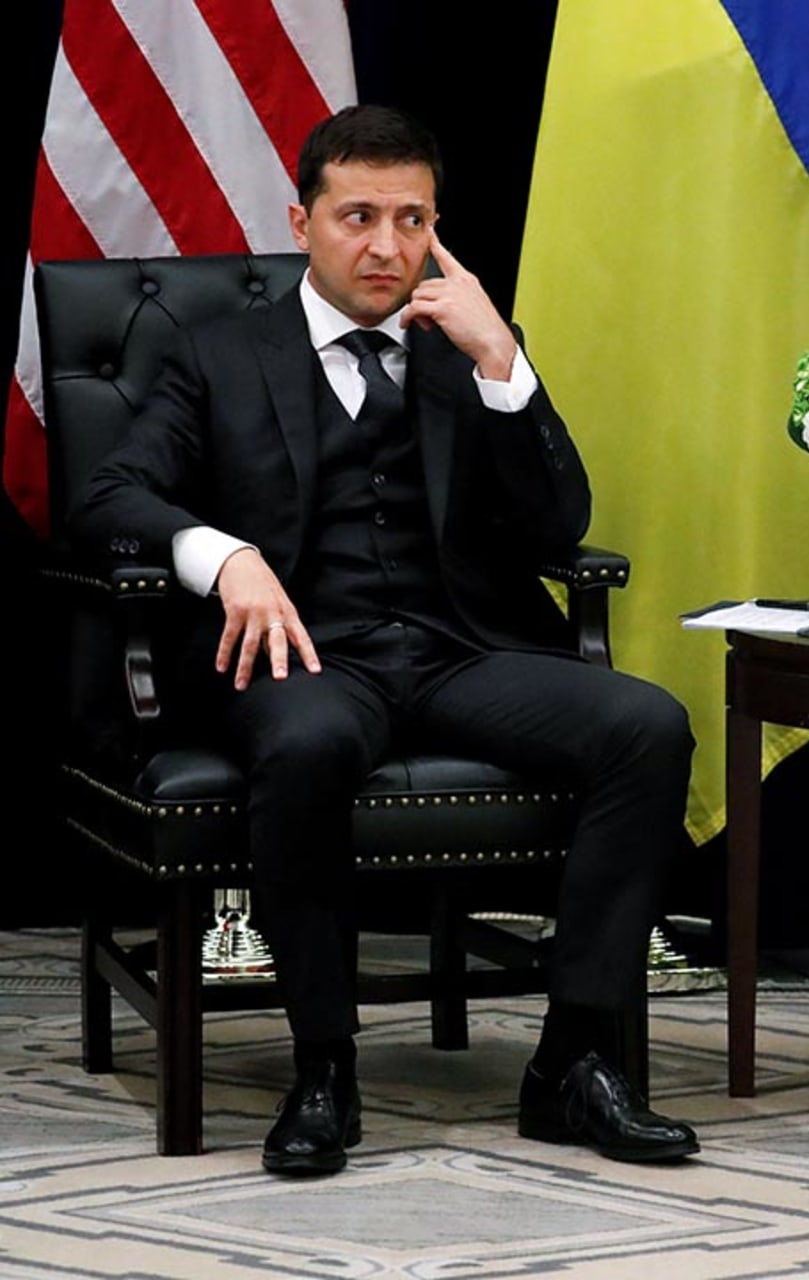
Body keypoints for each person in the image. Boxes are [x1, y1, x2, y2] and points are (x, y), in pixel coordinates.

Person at [74, 105, 699, 1177]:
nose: (387, 246)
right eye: (358, 215)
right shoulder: (217, 351)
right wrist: (221, 555)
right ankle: (324, 1065)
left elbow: (557, 523)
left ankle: (576, 1060)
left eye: (412, 220)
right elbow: (108, 491)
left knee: (647, 723)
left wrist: (504, 359)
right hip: (302, 654)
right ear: (303, 222)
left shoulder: (462, 347)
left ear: (437, 228)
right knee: (308, 743)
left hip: (458, 646)